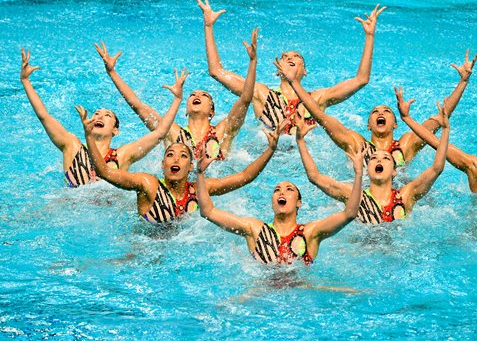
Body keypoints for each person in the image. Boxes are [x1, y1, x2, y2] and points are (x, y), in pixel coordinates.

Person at [197, 0, 386, 134]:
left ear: (304, 71)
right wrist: (208, 27)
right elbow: (216, 71)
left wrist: (370, 36)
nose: (289, 57)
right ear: (277, 70)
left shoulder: (318, 98)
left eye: (296, 56)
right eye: (285, 56)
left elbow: (361, 80)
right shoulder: (260, 93)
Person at [77, 106, 288, 223]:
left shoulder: (199, 189)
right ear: (162, 164)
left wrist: (270, 150)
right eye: (170, 155)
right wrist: (88, 137)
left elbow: (244, 177)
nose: (176, 159)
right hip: (145, 246)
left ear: (190, 166)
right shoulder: (148, 184)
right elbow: (104, 171)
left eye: (183, 156)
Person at [276, 49, 477, 168]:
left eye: (387, 111)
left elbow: (440, 118)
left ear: (396, 124)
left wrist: (463, 82)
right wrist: (294, 83)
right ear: (368, 126)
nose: (380, 113)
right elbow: (319, 115)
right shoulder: (355, 143)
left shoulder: (406, 145)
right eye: (375, 112)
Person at [20, 48, 185, 187]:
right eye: (96, 114)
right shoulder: (72, 146)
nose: (99, 116)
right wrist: (25, 81)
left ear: (115, 130)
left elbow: (159, 132)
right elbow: (44, 116)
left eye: (107, 115)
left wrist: (177, 99)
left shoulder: (122, 155)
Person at [95, 28, 259, 160]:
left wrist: (252, 62)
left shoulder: (223, 131)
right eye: (192, 94)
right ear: (186, 109)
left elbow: (245, 99)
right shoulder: (171, 132)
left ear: (212, 111)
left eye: (204, 95)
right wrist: (112, 73)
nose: (197, 96)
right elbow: (138, 106)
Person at [195, 146, 364, 265]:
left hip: (301, 293)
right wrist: (200, 174)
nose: (282, 193)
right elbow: (207, 211)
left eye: (289, 190)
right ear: (272, 202)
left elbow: (349, 213)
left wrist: (358, 174)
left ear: (299, 203)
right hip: (261, 294)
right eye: (277, 190)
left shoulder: (310, 232)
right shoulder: (255, 229)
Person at [295, 102, 449, 223]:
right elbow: (314, 177)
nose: (379, 159)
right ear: (366, 169)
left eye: (386, 158)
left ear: (395, 171)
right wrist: (300, 140)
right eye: (374, 158)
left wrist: (446, 129)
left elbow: (437, 168)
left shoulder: (404, 196)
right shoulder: (355, 197)